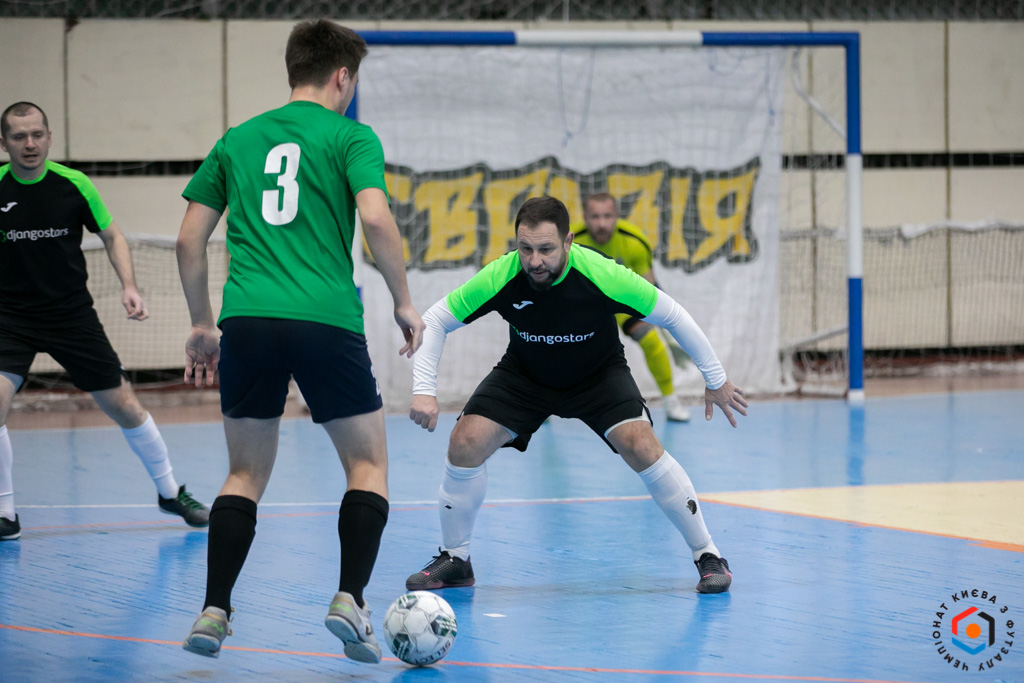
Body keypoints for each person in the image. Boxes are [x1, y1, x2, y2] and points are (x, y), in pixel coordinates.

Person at [175, 20, 424, 663]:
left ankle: (214, 610)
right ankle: (349, 599)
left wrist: (202, 323)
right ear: (342, 76)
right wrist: (402, 300)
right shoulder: (350, 136)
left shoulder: (237, 139)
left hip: (248, 321)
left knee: (243, 474)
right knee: (367, 466)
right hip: (324, 320)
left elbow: (188, 239)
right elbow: (375, 217)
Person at [405, 196, 747, 595]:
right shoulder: (502, 274)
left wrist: (715, 378)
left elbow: (672, 314)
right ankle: (456, 558)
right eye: (525, 248)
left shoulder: (603, 274)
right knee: (464, 441)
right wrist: (423, 390)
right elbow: (435, 320)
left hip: (598, 375)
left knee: (642, 445)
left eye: (546, 249)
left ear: (568, 241)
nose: (534, 261)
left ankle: (708, 555)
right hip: (525, 375)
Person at [0, 101, 210, 543]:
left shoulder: (73, 185)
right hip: (10, 318)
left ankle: (170, 492)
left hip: (71, 316)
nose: (30, 143)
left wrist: (129, 286)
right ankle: (5, 513)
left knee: (125, 406)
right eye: (19, 136)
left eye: (37, 134)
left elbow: (112, 236)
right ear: (4, 143)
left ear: (49, 137)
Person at [571, 193, 692, 422]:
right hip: (585, 305)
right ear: (585, 217)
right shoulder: (569, 243)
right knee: (555, 346)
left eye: (608, 216)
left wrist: (669, 333)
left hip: (622, 302)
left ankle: (670, 400)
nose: (602, 223)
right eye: (595, 217)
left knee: (651, 340)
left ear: (617, 216)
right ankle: (543, 405)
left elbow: (651, 289)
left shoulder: (635, 241)